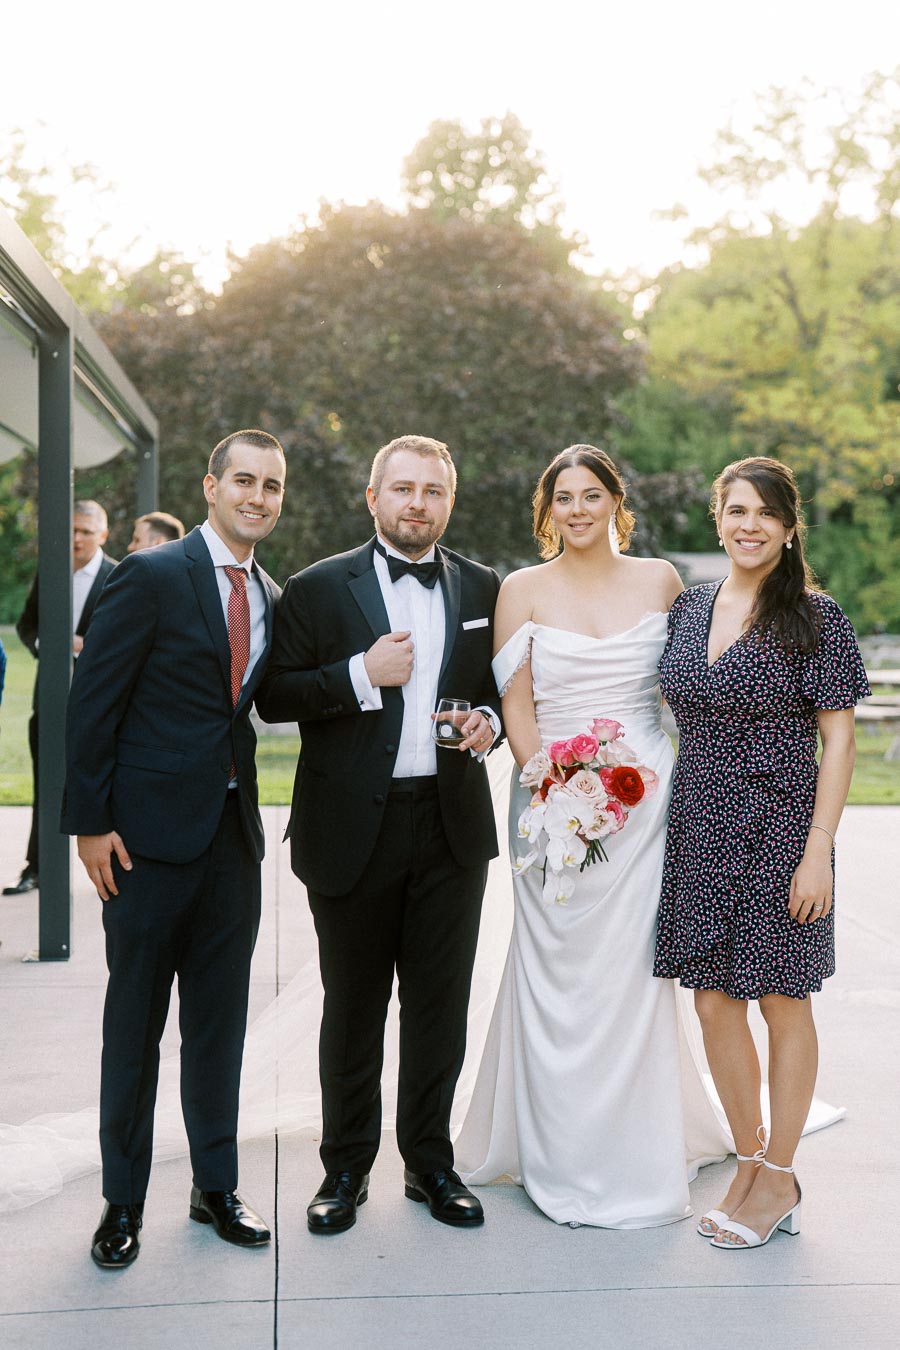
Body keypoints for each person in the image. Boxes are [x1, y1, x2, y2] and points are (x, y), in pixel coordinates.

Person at [454, 444, 731, 1227]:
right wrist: (549, 782)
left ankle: (633, 1147)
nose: (577, 509)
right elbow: (517, 702)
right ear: (548, 510)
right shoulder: (521, 589)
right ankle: (557, 1147)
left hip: (649, 807)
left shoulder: (662, 581)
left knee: (634, 974)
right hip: (550, 805)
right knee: (559, 970)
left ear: (616, 501)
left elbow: (681, 692)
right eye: (563, 498)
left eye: (591, 495)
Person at [256, 434, 502, 1234]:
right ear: (374, 498)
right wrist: (361, 675)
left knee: (441, 1005)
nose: (417, 504)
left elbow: (501, 690)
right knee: (354, 1007)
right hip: (348, 829)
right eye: (402, 489)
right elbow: (275, 698)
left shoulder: (484, 587)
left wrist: (487, 724)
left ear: (448, 502)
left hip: (450, 825)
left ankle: (430, 1163)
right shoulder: (318, 587)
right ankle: (345, 1169)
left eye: (432, 491)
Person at [60, 430, 286, 1268]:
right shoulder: (148, 577)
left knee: (220, 1028)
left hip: (232, 843)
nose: (258, 497)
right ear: (211, 486)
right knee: (136, 1027)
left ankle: (215, 1188)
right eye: (245, 482)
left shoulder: (271, 592)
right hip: (145, 844)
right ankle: (122, 1203)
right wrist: (88, 824)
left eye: (272, 486)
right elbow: (94, 704)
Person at [653, 456, 870, 1250]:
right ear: (719, 519)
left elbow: (839, 740)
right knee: (713, 1002)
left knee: (783, 1001)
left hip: (782, 826)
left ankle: (779, 1174)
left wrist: (818, 850)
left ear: (787, 528)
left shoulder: (816, 616)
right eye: (736, 510)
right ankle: (748, 1161)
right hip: (701, 823)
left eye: (765, 514)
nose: (749, 525)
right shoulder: (690, 607)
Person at [3, 502, 116, 896]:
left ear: (103, 535)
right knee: (45, 785)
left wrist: (87, 647)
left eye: (86, 531)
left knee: (105, 783)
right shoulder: (49, 571)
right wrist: (45, 646)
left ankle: (115, 866)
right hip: (48, 701)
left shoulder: (119, 575)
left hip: (100, 707)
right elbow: (26, 624)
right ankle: (38, 867)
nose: (77, 538)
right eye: (72, 531)